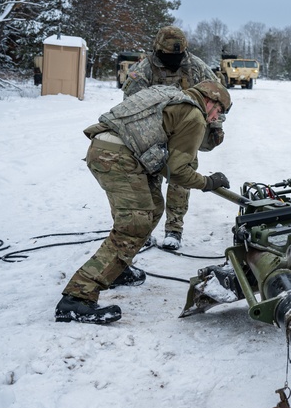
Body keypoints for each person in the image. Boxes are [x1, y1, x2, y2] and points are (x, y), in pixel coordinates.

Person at [55, 81, 233, 324]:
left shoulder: (173, 96)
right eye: (219, 111)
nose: (217, 118)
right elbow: (177, 171)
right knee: (134, 225)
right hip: (118, 157)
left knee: (153, 208)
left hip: (104, 147)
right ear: (211, 101)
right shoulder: (194, 115)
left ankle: (115, 269)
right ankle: (77, 298)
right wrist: (208, 182)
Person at [122, 25, 224, 250]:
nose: (173, 60)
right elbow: (129, 105)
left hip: (186, 133)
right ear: (158, 50)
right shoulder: (143, 70)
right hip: (151, 136)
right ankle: (145, 228)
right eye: (168, 56)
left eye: (177, 56)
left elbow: (216, 97)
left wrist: (215, 126)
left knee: (181, 179)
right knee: (149, 183)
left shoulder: (197, 67)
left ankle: (174, 229)